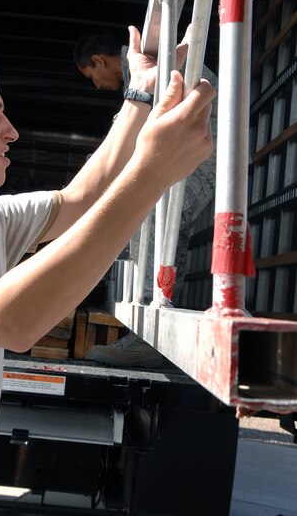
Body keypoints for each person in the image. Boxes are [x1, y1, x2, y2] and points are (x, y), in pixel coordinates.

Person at [0, 26, 214, 515]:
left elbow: (82, 198)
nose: (11, 130)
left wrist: (138, 94)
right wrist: (152, 172)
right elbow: (9, 319)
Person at [74, 27, 218, 366]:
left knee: (155, 214)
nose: (96, 85)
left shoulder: (146, 69)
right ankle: (153, 324)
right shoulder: (145, 66)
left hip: (206, 147)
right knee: (162, 219)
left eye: (92, 76)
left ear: (99, 60)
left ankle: (150, 334)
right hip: (204, 144)